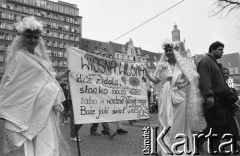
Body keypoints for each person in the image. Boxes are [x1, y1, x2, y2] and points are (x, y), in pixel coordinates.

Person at [0, 16, 70, 156]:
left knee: (46, 144)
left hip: (44, 109)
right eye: (29, 36)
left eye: (36, 37)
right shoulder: (20, 58)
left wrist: (62, 75)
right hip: (28, 111)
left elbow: (47, 76)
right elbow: (10, 86)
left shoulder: (39, 57)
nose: (33, 40)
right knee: (30, 146)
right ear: (21, 38)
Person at [144, 41, 202, 155]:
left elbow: (194, 76)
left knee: (179, 123)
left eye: (171, 50)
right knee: (166, 122)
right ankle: (166, 148)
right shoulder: (162, 65)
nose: (169, 52)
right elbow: (156, 81)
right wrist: (147, 75)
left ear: (175, 51)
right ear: (165, 52)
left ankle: (179, 148)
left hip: (179, 97)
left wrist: (183, 84)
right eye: (167, 50)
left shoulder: (183, 65)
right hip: (165, 96)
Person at [197, 41, 240, 154]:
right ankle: (202, 142)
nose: (222, 52)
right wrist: (209, 96)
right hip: (213, 99)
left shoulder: (214, 63)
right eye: (220, 50)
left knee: (219, 125)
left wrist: (230, 92)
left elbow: (221, 82)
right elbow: (205, 80)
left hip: (220, 99)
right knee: (214, 125)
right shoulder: (205, 62)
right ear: (212, 49)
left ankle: (215, 147)